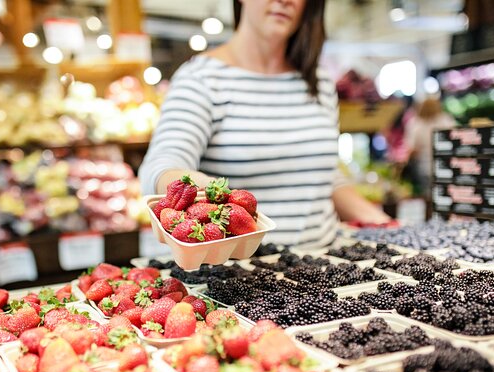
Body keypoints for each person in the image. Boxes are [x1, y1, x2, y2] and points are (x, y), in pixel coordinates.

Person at [138, 0, 391, 247]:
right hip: (238, 280)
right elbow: (161, 165)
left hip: (322, 271)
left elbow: (321, 176)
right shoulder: (202, 79)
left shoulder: (319, 83)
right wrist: (201, 189)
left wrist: (381, 223)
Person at [403, 97, 456, 197]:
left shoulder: (415, 124)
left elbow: (412, 149)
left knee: (428, 195)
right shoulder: (446, 120)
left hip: (424, 166)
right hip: (445, 165)